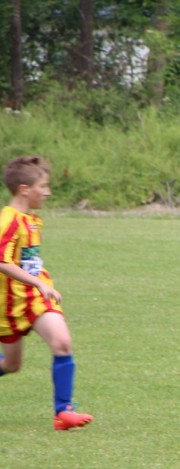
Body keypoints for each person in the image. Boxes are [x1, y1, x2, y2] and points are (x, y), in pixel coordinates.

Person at [0, 156, 93, 430]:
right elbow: (2, 261)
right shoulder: (8, 220)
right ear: (24, 189)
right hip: (9, 303)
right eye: (43, 186)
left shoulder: (31, 219)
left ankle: (63, 412)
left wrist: (40, 284)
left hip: (36, 297)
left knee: (62, 342)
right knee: (12, 365)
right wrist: (38, 282)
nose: (48, 192)